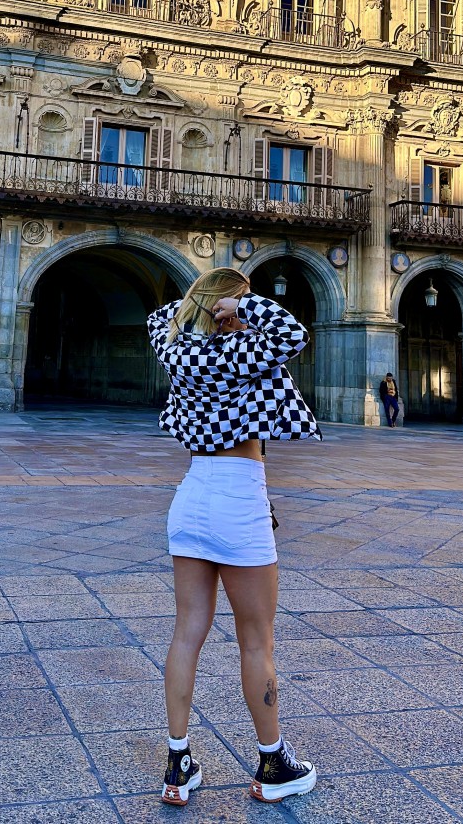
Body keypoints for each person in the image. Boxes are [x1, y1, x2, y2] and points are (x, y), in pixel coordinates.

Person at [147, 267, 321, 808]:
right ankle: (273, 763)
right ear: (229, 306)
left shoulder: (177, 348)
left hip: (191, 494)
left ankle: (178, 765)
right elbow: (294, 333)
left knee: (186, 633)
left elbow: (160, 317)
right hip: (239, 497)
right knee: (256, 640)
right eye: (239, 302)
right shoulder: (242, 351)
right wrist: (242, 311)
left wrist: (202, 307)